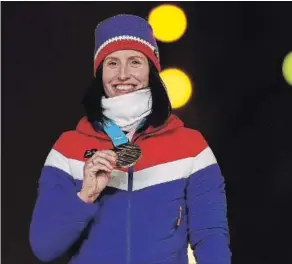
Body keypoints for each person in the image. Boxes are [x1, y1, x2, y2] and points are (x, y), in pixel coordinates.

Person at [29, 14, 231, 264]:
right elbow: (44, 247)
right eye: (112, 63)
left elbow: (210, 236)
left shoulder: (191, 148)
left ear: (151, 70)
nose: (123, 75)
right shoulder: (68, 149)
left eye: (135, 62)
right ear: (100, 72)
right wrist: (86, 196)